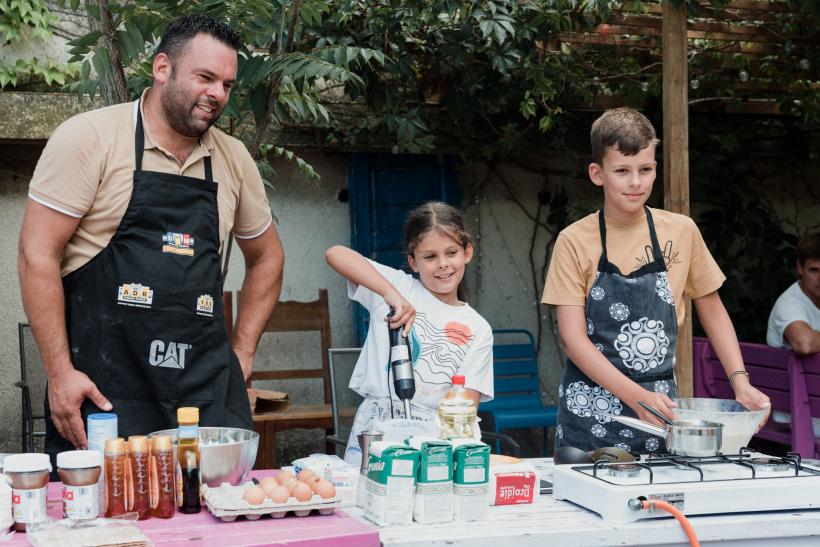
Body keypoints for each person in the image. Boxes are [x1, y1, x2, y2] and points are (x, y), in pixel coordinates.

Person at [18, 15, 285, 461]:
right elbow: (36, 254)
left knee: (217, 521)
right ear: (163, 68)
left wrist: (241, 354)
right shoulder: (90, 139)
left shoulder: (234, 159)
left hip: (203, 394)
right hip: (105, 393)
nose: (217, 94)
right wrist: (59, 372)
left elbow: (268, 258)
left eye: (227, 84)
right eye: (205, 77)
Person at [541, 108, 770, 453]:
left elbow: (712, 310)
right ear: (597, 173)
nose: (636, 182)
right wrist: (636, 397)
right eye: (622, 171)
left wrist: (741, 382)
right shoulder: (574, 240)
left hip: (661, 414)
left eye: (645, 169)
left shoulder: (681, 231)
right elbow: (573, 340)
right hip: (589, 416)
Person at [326, 202, 493, 465]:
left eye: (451, 253)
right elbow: (336, 254)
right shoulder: (397, 288)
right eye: (430, 257)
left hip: (435, 437)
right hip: (378, 429)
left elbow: (466, 404)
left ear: (467, 252)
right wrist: (390, 294)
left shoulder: (477, 328)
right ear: (413, 261)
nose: (443, 265)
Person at [767, 232, 820, 355]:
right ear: (799, 268)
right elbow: (804, 343)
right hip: (790, 374)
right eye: (814, 270)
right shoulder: (789, 303)